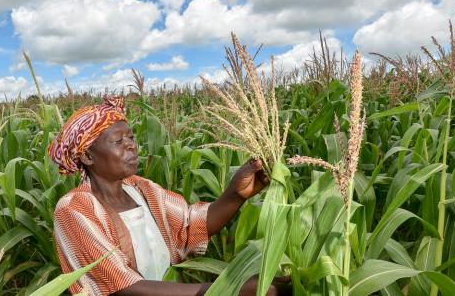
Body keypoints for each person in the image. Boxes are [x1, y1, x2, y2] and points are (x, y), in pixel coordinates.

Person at [49, 96, 286, 296]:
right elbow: (123, 288)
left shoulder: (141, 189)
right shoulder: (74, 209)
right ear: (88, 157)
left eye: (131, 137)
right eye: (118, 141)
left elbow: (190, 226)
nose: (131, 146)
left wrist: (236, 195)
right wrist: (226, 289)